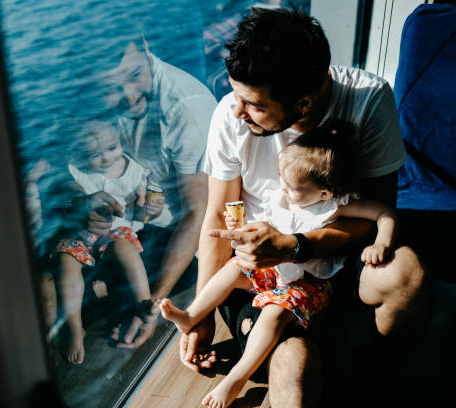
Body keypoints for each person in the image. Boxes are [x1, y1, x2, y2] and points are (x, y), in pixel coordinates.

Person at [181, 7, 431, 407]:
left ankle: (381, 377)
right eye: (236, 95)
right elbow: (218, 216)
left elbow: (379, 211)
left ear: (303, 103)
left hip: (338, 262)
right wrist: (202, 315)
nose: (237, 111)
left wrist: (295, 245)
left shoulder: (368, 99)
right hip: (267, 281)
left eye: (254, 105)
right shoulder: (230, 116)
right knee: (295, 368)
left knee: (408, 275)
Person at [161, 121, 398, 407]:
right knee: (235, 268)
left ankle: (236, 378)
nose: (283, 191)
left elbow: (385, 212)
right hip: (277, 271)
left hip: (311, 283)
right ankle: (193, 315)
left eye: (292, 187)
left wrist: (381, 243)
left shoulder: (335, 205)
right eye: (281, 180)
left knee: (273, 312)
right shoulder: (287, 193)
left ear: (324, 193)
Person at [64, 30, 217, 348]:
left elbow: (196, 213)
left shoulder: (186, 109)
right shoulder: (90, 101)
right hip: (124, 221)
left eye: (135, 76)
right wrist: (82, 201)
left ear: (146, 48)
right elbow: (66, 164)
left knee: (106, 311)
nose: (129, 96)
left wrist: (153, 306)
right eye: (111, 88)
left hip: (172, 236)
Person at [53, 118, 159, 364]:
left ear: (120, 141)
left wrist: (150, 206)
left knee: (124, 246)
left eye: (112, 148)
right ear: (78, 154)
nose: (106, 158)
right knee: (66, 260)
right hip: (83, 236)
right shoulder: (76, 171)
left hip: (118, 232)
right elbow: (68, 196)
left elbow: (147, 202)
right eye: (94, 154)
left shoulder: (135, 171)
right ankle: (75, 327)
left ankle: (143, 303)